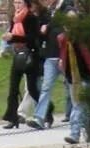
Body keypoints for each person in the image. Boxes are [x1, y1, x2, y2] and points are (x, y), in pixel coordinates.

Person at [56, 4, 90, 145]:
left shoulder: (85, 37)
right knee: (81, 107)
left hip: (86, 76)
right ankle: (86, 131)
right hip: (72, 78)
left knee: (80, 106)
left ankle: (77, 133)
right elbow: (63, 57)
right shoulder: (63, 39)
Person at [0, 2, 44, 130]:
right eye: (15, 2)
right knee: (13, 88)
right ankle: (12, 118)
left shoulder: (31, 18)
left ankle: (47, 109)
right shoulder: (15, 18)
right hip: (18, 55)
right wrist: (9, 39)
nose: (17, 5)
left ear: (26, 4)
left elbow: (32, 38)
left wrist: (14, 37)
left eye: (20, 2)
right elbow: (15, 37)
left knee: (32, 88)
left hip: (31, 55)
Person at [28, 0, 67, 131]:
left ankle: (82, 119)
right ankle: (39, 117)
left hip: (63, 55)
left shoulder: (66, 7)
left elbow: (64, 32)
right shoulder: (48, 11)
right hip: (50, 55)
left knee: (73, 88)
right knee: (45, 87)